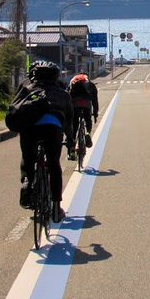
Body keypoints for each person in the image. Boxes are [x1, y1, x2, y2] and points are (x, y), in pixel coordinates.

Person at [16, 60, 73, 223]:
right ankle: (56, 208)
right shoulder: (62, 93)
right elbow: (69, 120)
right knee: (53, 165)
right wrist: (70, 140)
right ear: (55, 76)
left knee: (28, 157)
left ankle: (27, 183)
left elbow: (15, 108)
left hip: (29, 127)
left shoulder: (26, 88)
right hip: (52, 129)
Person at [67, 72, 99, 159]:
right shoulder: (90, 84)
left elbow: (67, 96)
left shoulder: (72, 82)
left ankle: (72, 152)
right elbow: (95, 100)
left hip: (74, 104)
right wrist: (95, 113)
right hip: (86, 103)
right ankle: (88, 133)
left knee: (74, 126)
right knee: (88, 120)